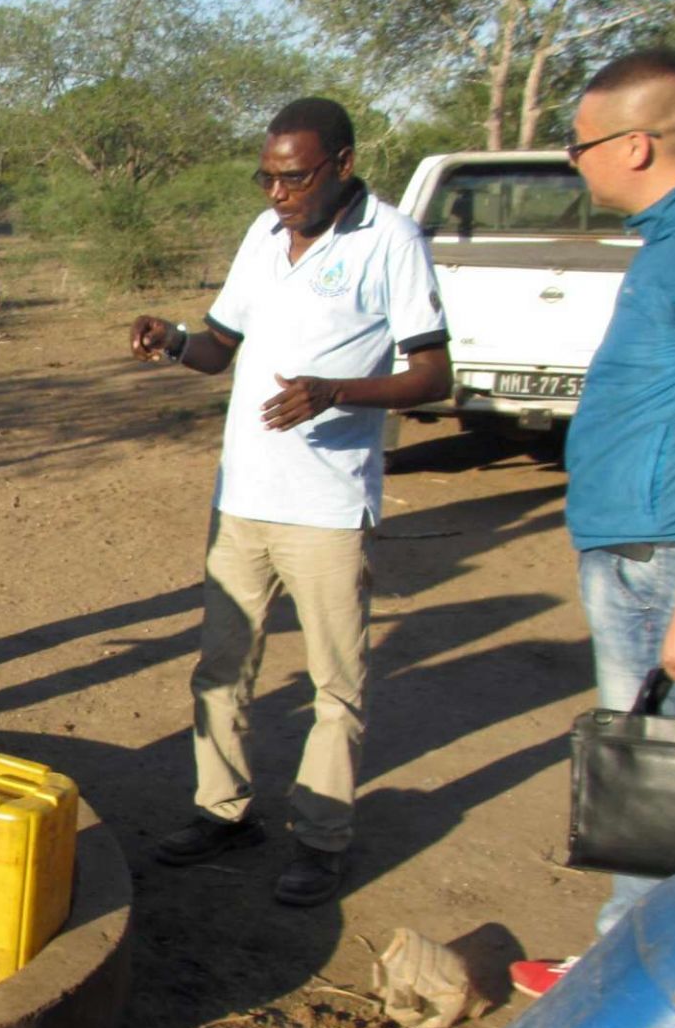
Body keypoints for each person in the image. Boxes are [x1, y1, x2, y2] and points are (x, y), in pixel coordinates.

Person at [130, 97, 452, 907]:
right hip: (243, 498)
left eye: (294, 176)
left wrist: (335, 393)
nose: (278, 192)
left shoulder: (393, 242)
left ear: (342, 163)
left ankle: (322, 837)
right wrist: (170, 338)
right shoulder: (262, 236)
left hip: (328, 508)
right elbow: (219, 350)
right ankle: (223, 810)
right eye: (267, 177)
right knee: (221, 669)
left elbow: (432, 374)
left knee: (334, 685)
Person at [510, 48, 675, 997]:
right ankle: (635, 958)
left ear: (634, 144)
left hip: (667, 557)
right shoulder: (672, 243)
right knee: (653, 766)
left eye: (577, 144)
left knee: (660, 773)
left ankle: (635, 980)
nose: (572, 162)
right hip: (643, 547)